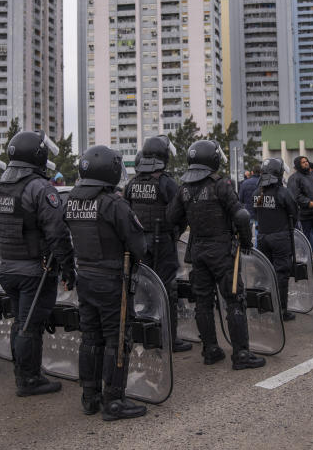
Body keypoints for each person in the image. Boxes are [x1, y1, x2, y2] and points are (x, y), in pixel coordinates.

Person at [166, 140, 265, 370]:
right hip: (222, 251)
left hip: (197, 251)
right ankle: (241, 354)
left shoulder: (184, 189)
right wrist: (246, 240)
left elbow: (171, 217)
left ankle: (210, 350)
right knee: (234, 299)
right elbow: (240, 216)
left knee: (202, 301)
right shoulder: (220, 184)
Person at [66, 145, 148, 420]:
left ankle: (90, 396)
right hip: (112, 282)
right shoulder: (113, 204)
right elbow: (139, 246)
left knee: (90, 337)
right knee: (116, 339)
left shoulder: (73, 202)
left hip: (85, 279)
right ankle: (114, 400)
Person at [0, 130, 75, 397]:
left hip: (7, 267)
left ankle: (23, 372)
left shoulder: (1, 187)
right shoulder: (39, 187)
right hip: (33, 270)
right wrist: (67, 267)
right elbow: (57, 231)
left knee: (20, 322)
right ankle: (29, 380)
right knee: (29, 326)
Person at [123, 135, 192, 353]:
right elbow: (181, 214)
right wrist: (174, 233)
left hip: (139, 244)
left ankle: (145, 335)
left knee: (143, 289)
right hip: (162, 242)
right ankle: (169, 339)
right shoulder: (167, 183)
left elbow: (126, 212)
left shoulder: (132, 184)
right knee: (166, 290)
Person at [252, 158, 297, 321]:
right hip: (280, 238)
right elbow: (294, 212)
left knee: (265, 273)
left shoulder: (257, 192)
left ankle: (264, 307)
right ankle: (281, 310)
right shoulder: (282, 192)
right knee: (281, 274)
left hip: (263, 237)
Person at [288, 156, 313, 268]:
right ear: (298, 165)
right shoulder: (294, 178)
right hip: (304, 216)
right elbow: (295, 195)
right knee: (305, 241)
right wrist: (308, 202)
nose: (306, 163)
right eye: (303, 162)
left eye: (306, 161)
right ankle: (305, 263)